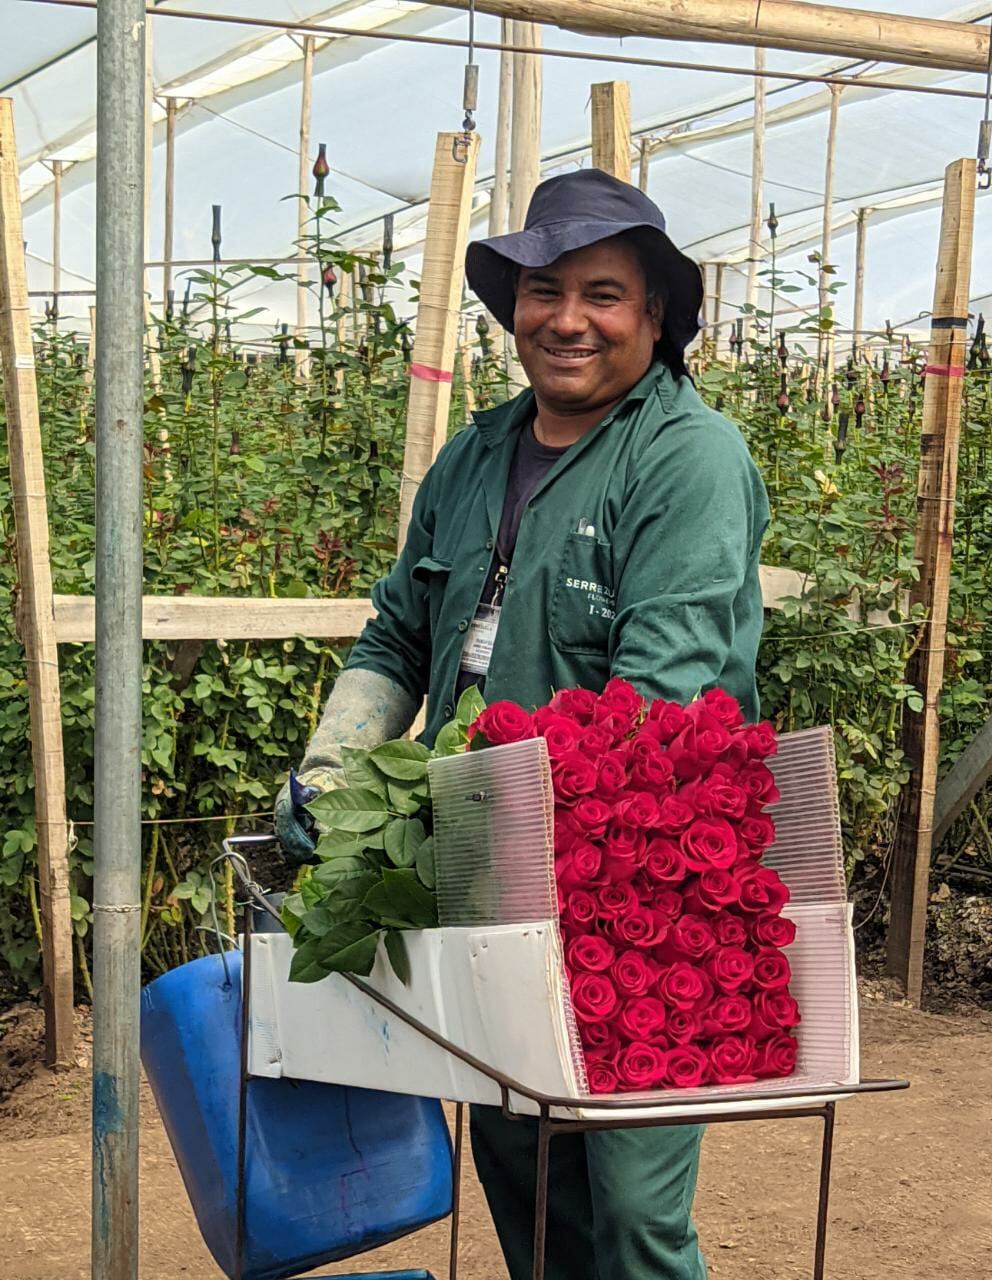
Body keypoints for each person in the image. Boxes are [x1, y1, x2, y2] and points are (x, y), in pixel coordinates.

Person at [275, 168, 769, 1280]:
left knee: (631, 1204)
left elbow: (657, 705)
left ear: (655, 315)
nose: (567, 319)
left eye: (603, 294)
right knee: (525, 1170)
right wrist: (335, 763)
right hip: (485, 871)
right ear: (514, 307)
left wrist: (445, 794)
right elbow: (399, 635)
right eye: (545, 290)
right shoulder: (474, 455)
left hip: (644, 889)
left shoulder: (687, 458)